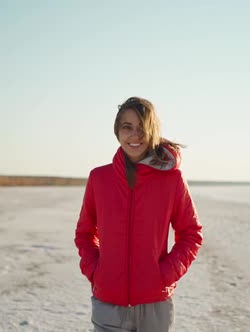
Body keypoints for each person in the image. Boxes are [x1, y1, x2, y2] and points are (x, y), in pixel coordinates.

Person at [74, 96, 203, 331]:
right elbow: (84, 233)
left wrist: (165, 275)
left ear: (153, 131)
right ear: (117, 131)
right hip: (108, 303)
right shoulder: (99, 178)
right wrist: (95, 271)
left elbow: (191, 234)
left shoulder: (172, 179)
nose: (135, 135)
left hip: (155, 304)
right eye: (127, 127)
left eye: (143, 128)